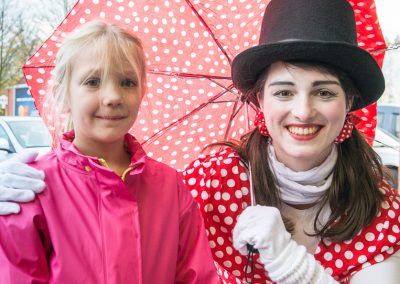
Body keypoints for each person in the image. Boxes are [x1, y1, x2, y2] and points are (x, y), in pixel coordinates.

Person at [0, 0, 399, 283]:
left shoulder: (378, 204)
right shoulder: (215, 178)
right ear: (259, 99)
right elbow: (128, 219)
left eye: (325, 92)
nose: (303, 111)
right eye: (283, 92)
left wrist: (289, 262)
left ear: (349, 102)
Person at [0, 20, 218, 283]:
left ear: (142, 92)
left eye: (127, 82)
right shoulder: (31, 186)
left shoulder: (170, 186)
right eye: (93, 81)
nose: (113, 96)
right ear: (64, 94)